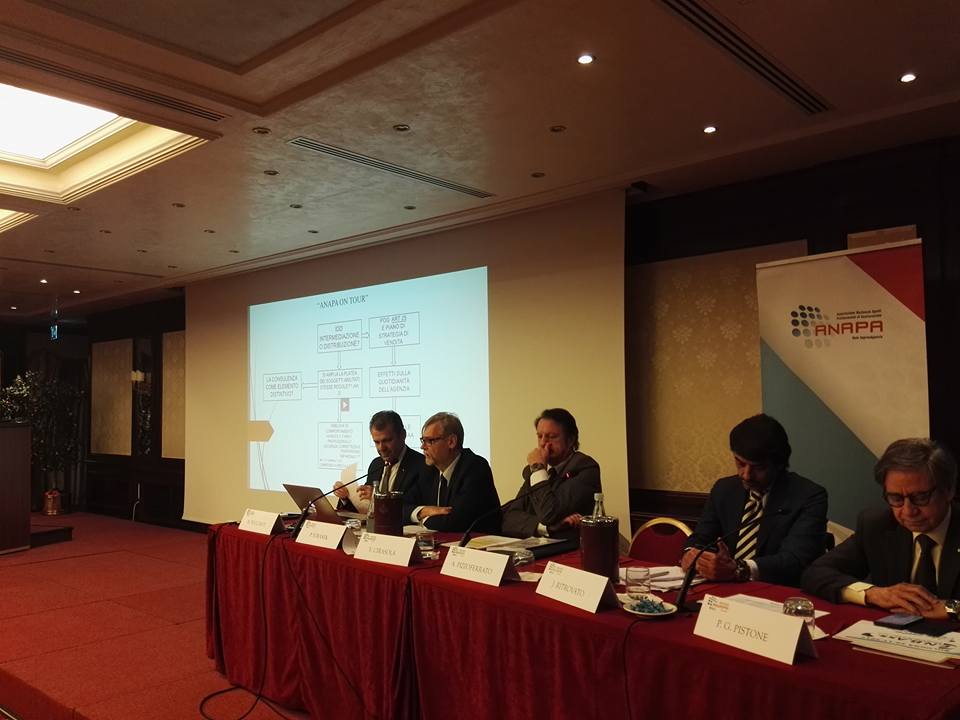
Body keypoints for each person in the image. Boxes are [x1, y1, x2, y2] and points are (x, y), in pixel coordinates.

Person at [802, 438, 960, 619]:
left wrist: (952, 609)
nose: (908, 511)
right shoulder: (877, 525)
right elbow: (815, 573)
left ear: (949, 490)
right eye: (896, 498)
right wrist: (873, 593)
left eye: (921, 497)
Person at [680, 414, 828, 586]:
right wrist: (691, 554)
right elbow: (702, 537)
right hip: (724, 592)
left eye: (759, 468)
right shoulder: (724, 489)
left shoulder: (809, 496)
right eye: (740, 463)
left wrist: (739, 569)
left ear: (779, 464)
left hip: (777, 592)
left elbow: (795, 561)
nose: (746, 475)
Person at [501, 408, 600, 539]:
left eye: (551, 437)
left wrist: (538, 469)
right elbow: (509, 519)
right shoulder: (539, 471)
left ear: (570, 440)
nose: (543, 443)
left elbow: (548, 513)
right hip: (538, 545)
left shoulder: (585, 468)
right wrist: (546, 528)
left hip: (574, 547)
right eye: (539, 436)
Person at [412, 411, 500, 532]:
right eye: (423, 440)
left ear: (451, 442)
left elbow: (455, 522)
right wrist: (423, 511)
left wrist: (423, 519)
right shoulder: (429, 470)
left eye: (430, 441)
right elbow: (402, 507)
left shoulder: (475, 467)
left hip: (478, 542)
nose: (423, 447)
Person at [333, 410, 428, 521]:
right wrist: (345, 498)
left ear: (403, 435)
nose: (381, 448)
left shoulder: (422, 465)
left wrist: (378, 498)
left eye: (387, 440)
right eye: (376, 442)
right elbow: (363, 511)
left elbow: (415, 509)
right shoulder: (376, 464)